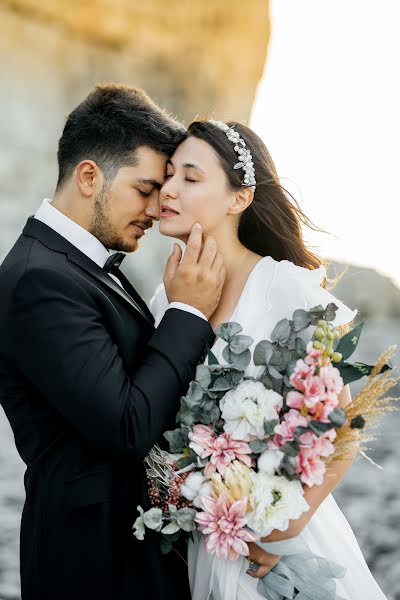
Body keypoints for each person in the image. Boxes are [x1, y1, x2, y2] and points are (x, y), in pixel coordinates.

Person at [0, 85, 226, 600]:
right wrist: (188, 311)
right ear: (88, 176)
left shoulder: (79, 264)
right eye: (144, 188)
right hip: (90, 560)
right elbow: (126, 423)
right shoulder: (39, 279)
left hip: (127, 544)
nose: (156, 206)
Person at [150, 119, 388, 599]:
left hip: (281, 544)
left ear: (240, 198)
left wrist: (284, 530)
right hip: (206, 540)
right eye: (168, 174)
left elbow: (341, 421)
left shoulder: (283, 286)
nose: (168, 190)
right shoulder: (164, 299)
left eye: (190, 178)